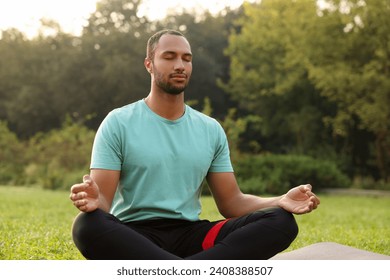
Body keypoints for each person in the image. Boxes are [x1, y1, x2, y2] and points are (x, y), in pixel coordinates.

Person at [69, 29, 320, 260]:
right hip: (135, 237)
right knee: (86, 225)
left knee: (281, 221)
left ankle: (178, 271)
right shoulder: (118, 122)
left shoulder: (210, 129)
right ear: (149, 64)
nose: (180, 65)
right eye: (169, 57)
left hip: (193, 236)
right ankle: (195, 271)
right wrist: (93, 200)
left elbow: (232, 203)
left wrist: (280, 200)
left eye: (186, 59)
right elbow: (102, 204)